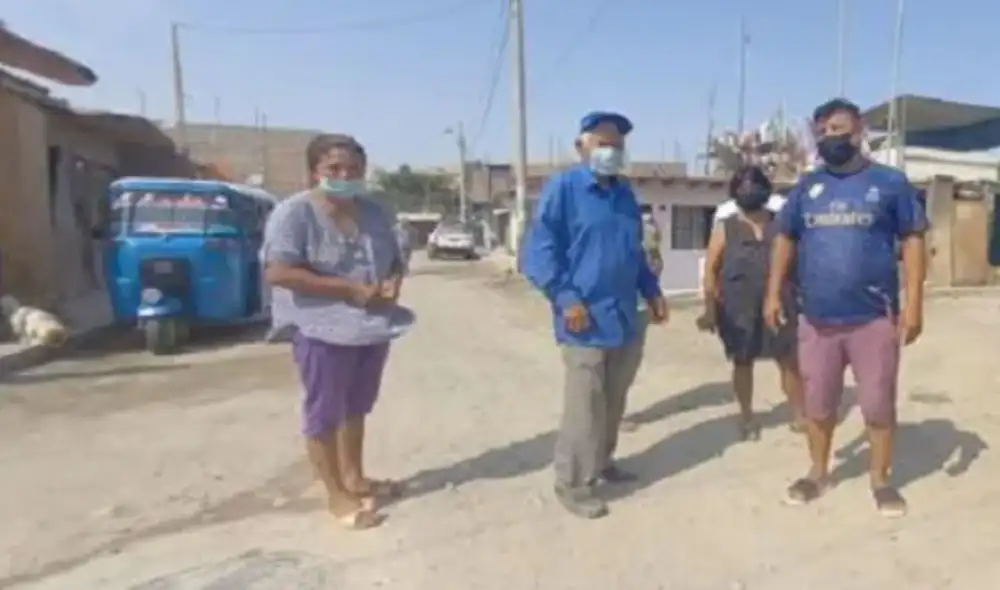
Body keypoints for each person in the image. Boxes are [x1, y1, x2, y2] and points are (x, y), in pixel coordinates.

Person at [764, 98, 927, 518]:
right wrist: (771, 293)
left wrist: (914, 306)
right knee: (818, 404)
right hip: (817, 319)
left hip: (873, 318)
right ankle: (818, 472)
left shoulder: (890, 183)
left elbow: (912, 241)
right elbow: (786, 239)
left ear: (859, 133)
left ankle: (881, 480)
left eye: (839, 128)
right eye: (823, 131)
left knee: (876, 403)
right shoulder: (806, 188)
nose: (831, 137)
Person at [522, 111, 669, 519]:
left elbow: (633, 250)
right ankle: (572, 483)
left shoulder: (623, 193)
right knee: (584, 406)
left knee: (614, 400)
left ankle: (602, 463)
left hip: (624, 314)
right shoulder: (563, 189)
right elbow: (539, 251)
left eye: (617, 145)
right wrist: (566, 297)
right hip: (582, 317)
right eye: (602, 142)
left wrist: (652, 291)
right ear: (581, 146)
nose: (611, 150)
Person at [262, 133, 413, 530]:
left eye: (354, 169)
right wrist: (346, 288)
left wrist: (392, 282)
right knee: (324, 414)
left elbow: (396, 259)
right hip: (319, 328)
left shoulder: (375, 211)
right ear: (315, 172)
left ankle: (355, 477)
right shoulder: (294, 214)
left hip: (371, 325)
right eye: (334, 169)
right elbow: (278, 271)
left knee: (356, 406)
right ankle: (336, 496)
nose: (345, 176)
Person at [697, 166, 804, 440]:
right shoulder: (726, 227)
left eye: (754, 185)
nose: (749, 191)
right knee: (742, 362)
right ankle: (746, 417)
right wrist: (709, 308)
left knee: (788, 361)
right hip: (736, 305)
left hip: (780, 301)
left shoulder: (782, 223)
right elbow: (711, 268)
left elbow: (800, 262)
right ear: (734, 193)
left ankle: (798, 414)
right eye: (742, 186)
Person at [618, 212, 664, 433]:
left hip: (639, 307)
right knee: (608, 366)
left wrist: (655, 298)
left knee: (629, 364)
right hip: (613, 309)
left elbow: (649, 268)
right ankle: (605, 416)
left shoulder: (642, 230)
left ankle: (616, 413)